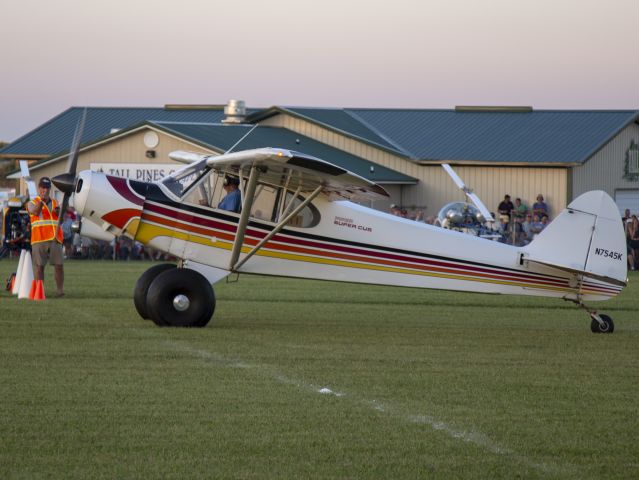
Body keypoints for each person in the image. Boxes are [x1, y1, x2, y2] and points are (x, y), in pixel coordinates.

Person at [27, 177, 65, 296]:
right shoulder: (32, 202)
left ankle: (60, 291)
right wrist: (42, 201)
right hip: (39, 239)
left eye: (47, 188)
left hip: (55, 238)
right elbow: (35, 212)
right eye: (43, 187)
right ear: (39, 188)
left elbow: (61, 220)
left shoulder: (55, 203)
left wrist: (60, 212)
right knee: (39, 267)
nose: (45, 190)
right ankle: (40, 291)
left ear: (50, 189)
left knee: (59, 266)